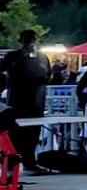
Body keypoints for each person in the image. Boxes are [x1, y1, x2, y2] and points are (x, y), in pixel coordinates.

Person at [2, 29, 50, 173]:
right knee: (14, 135)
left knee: (33, 135)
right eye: (27, 39)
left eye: (32, 39)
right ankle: (11, 164)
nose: (31, 42)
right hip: (17, 103)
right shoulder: (13, 56)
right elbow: (5, 71)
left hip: (36, 103)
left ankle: (30, 162)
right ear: (21, 41)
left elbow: (48, 76)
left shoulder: (42, 58)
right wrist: (23, 55)